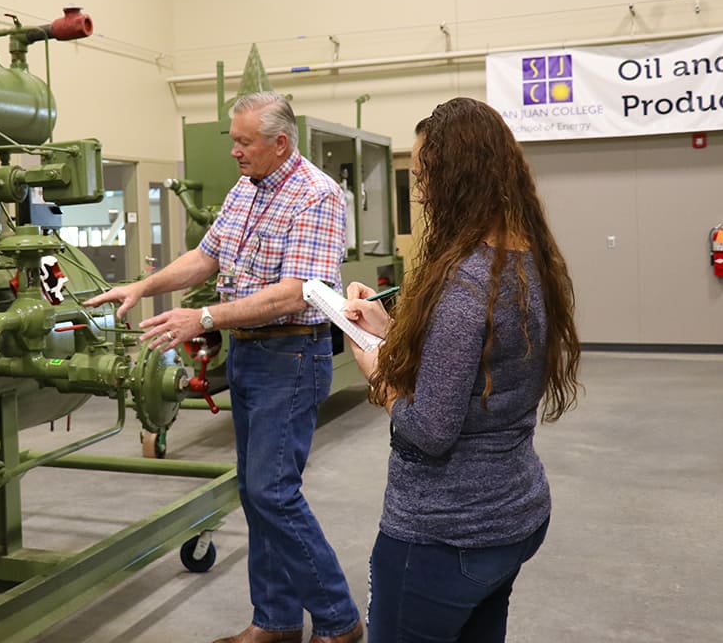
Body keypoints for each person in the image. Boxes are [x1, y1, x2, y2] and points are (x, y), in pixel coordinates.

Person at [85, 91, 363, 643]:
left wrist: (204, 316)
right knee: (256, 494)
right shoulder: (246, 188)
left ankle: (340, 622)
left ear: (279, 143)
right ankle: (275, 622)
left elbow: (293, 294)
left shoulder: (316, 195)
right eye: (232, 140)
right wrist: (143, 286)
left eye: (244, 142)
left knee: (273, 493)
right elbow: (206, 256)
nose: (234, 151)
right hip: (251, 355)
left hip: (292, 355)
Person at [341, 97, 582, 643]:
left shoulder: (465, 285)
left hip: (445, 533)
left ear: (457, 179)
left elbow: (430, 430)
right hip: (513, 516)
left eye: (423, 176)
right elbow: (471, 365)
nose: (420, 192)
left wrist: (378, 371)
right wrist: (390, 331)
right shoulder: (527, 263)